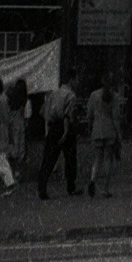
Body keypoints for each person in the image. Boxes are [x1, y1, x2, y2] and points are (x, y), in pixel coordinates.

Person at [37, 70, 81, 200]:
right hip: (65, 127)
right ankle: (71, 186)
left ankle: (42, 187)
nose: (78, 82)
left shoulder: (53, 94)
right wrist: (67, 131)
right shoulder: (71, 95)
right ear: (72, 79)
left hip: (53, 127)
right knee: (70, 158)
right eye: (77, 79)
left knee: (49, 158)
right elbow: (69, 115)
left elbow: (43, 111)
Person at [86, 80, 121, 198]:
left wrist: (91, 127)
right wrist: (119, 134)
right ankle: (105, 189)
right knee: (108, 159)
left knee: (97, 158)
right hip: (110, 130)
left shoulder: (93, 95)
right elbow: (116, 117)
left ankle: (92, 179)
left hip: (97, 129)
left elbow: (89, 115)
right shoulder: (115, 97)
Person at [5, 76, 30, 177]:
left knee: (11, 147)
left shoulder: (9, 98)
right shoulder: (24, 101)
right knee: (18, 147)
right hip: (18, 124)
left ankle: (8, 173)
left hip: (12, 123)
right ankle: (16, 172)